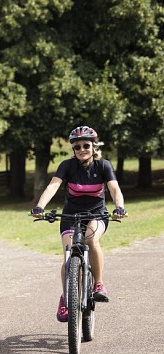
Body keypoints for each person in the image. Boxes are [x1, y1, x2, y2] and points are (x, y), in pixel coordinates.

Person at [30, 125, 126, 322]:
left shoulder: (103, 166)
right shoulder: (67, 166)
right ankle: (66, 299)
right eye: (77, 147)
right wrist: (40, 206)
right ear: (73, 149)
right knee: (68, 254)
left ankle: (98, 284)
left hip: (96, 214)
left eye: (86, 145)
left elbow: (114, 189)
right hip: (71, 215)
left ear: (94, 146)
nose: (82, 149)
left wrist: (119, 207)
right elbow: (53, 186)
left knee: (91, 241)